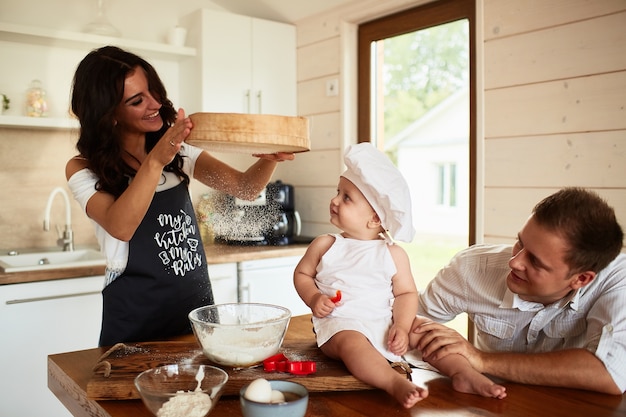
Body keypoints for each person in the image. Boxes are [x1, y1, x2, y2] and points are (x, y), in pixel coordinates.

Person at [66, 46, 294, 347]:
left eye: (154, 91)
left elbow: (246, 188)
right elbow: (121, 226)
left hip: (195, 309)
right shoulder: (84, 169)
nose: (155, 104)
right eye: (137, 100)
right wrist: (156, 159)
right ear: (109, 116)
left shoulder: (180, 153)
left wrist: (271, 158)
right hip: (134, 317)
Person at [294, 143, 506, 409]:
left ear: (374, 219)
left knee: (427, 332)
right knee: (353, 343)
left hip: (383, 318)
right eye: (338, 192)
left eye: (346, 197)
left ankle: (463, 373)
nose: (335, 200)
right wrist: (314, 298)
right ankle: (392, 382)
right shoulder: (326, 244)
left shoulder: (393, 254)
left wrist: (402, 327)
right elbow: (302, 274)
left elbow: (405, 294)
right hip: (341, 324)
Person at [412, 187, 626, 395]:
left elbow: (610, 373)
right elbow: (405, 324)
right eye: (519, 243)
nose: (514, 262)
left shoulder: (617, 280)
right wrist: (462, 369)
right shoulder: (472, 269)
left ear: (581, 278)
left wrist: (481, 359)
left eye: (534, 260)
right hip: (493, 402)